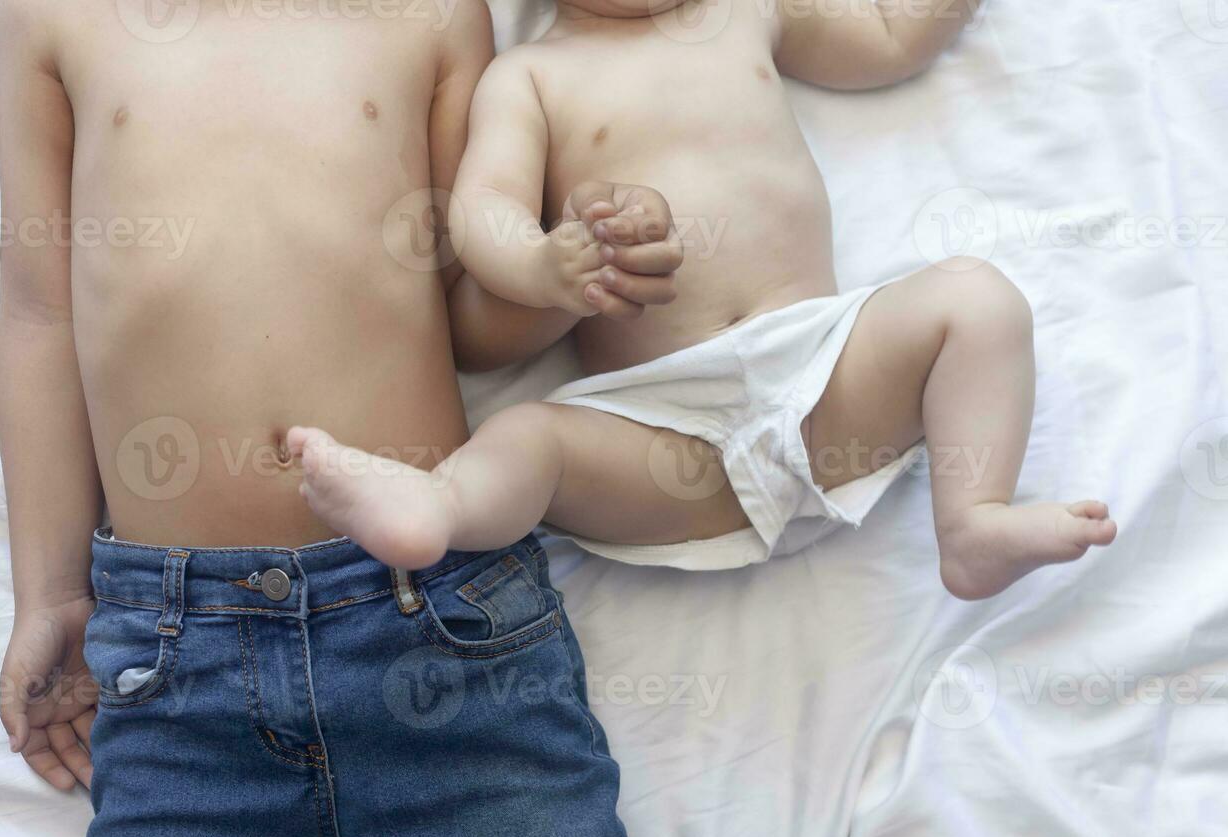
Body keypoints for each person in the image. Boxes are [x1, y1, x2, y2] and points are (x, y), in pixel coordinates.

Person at [0, 0, 681, 837]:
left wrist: (559, 275)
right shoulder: (56, 17)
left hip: (439, 620)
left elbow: (467, 316)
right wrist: (50, 591)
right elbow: (38, 310)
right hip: (179, 668)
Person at [289, 0, 1118, 600]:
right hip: (664, 439)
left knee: (979, 299)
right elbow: (483, 212)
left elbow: (889, 36)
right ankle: (438, 507)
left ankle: (972, 522)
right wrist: (546, 266)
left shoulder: (746, 12)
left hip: (826, 388)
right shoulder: (530, 75)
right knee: (529, 439)